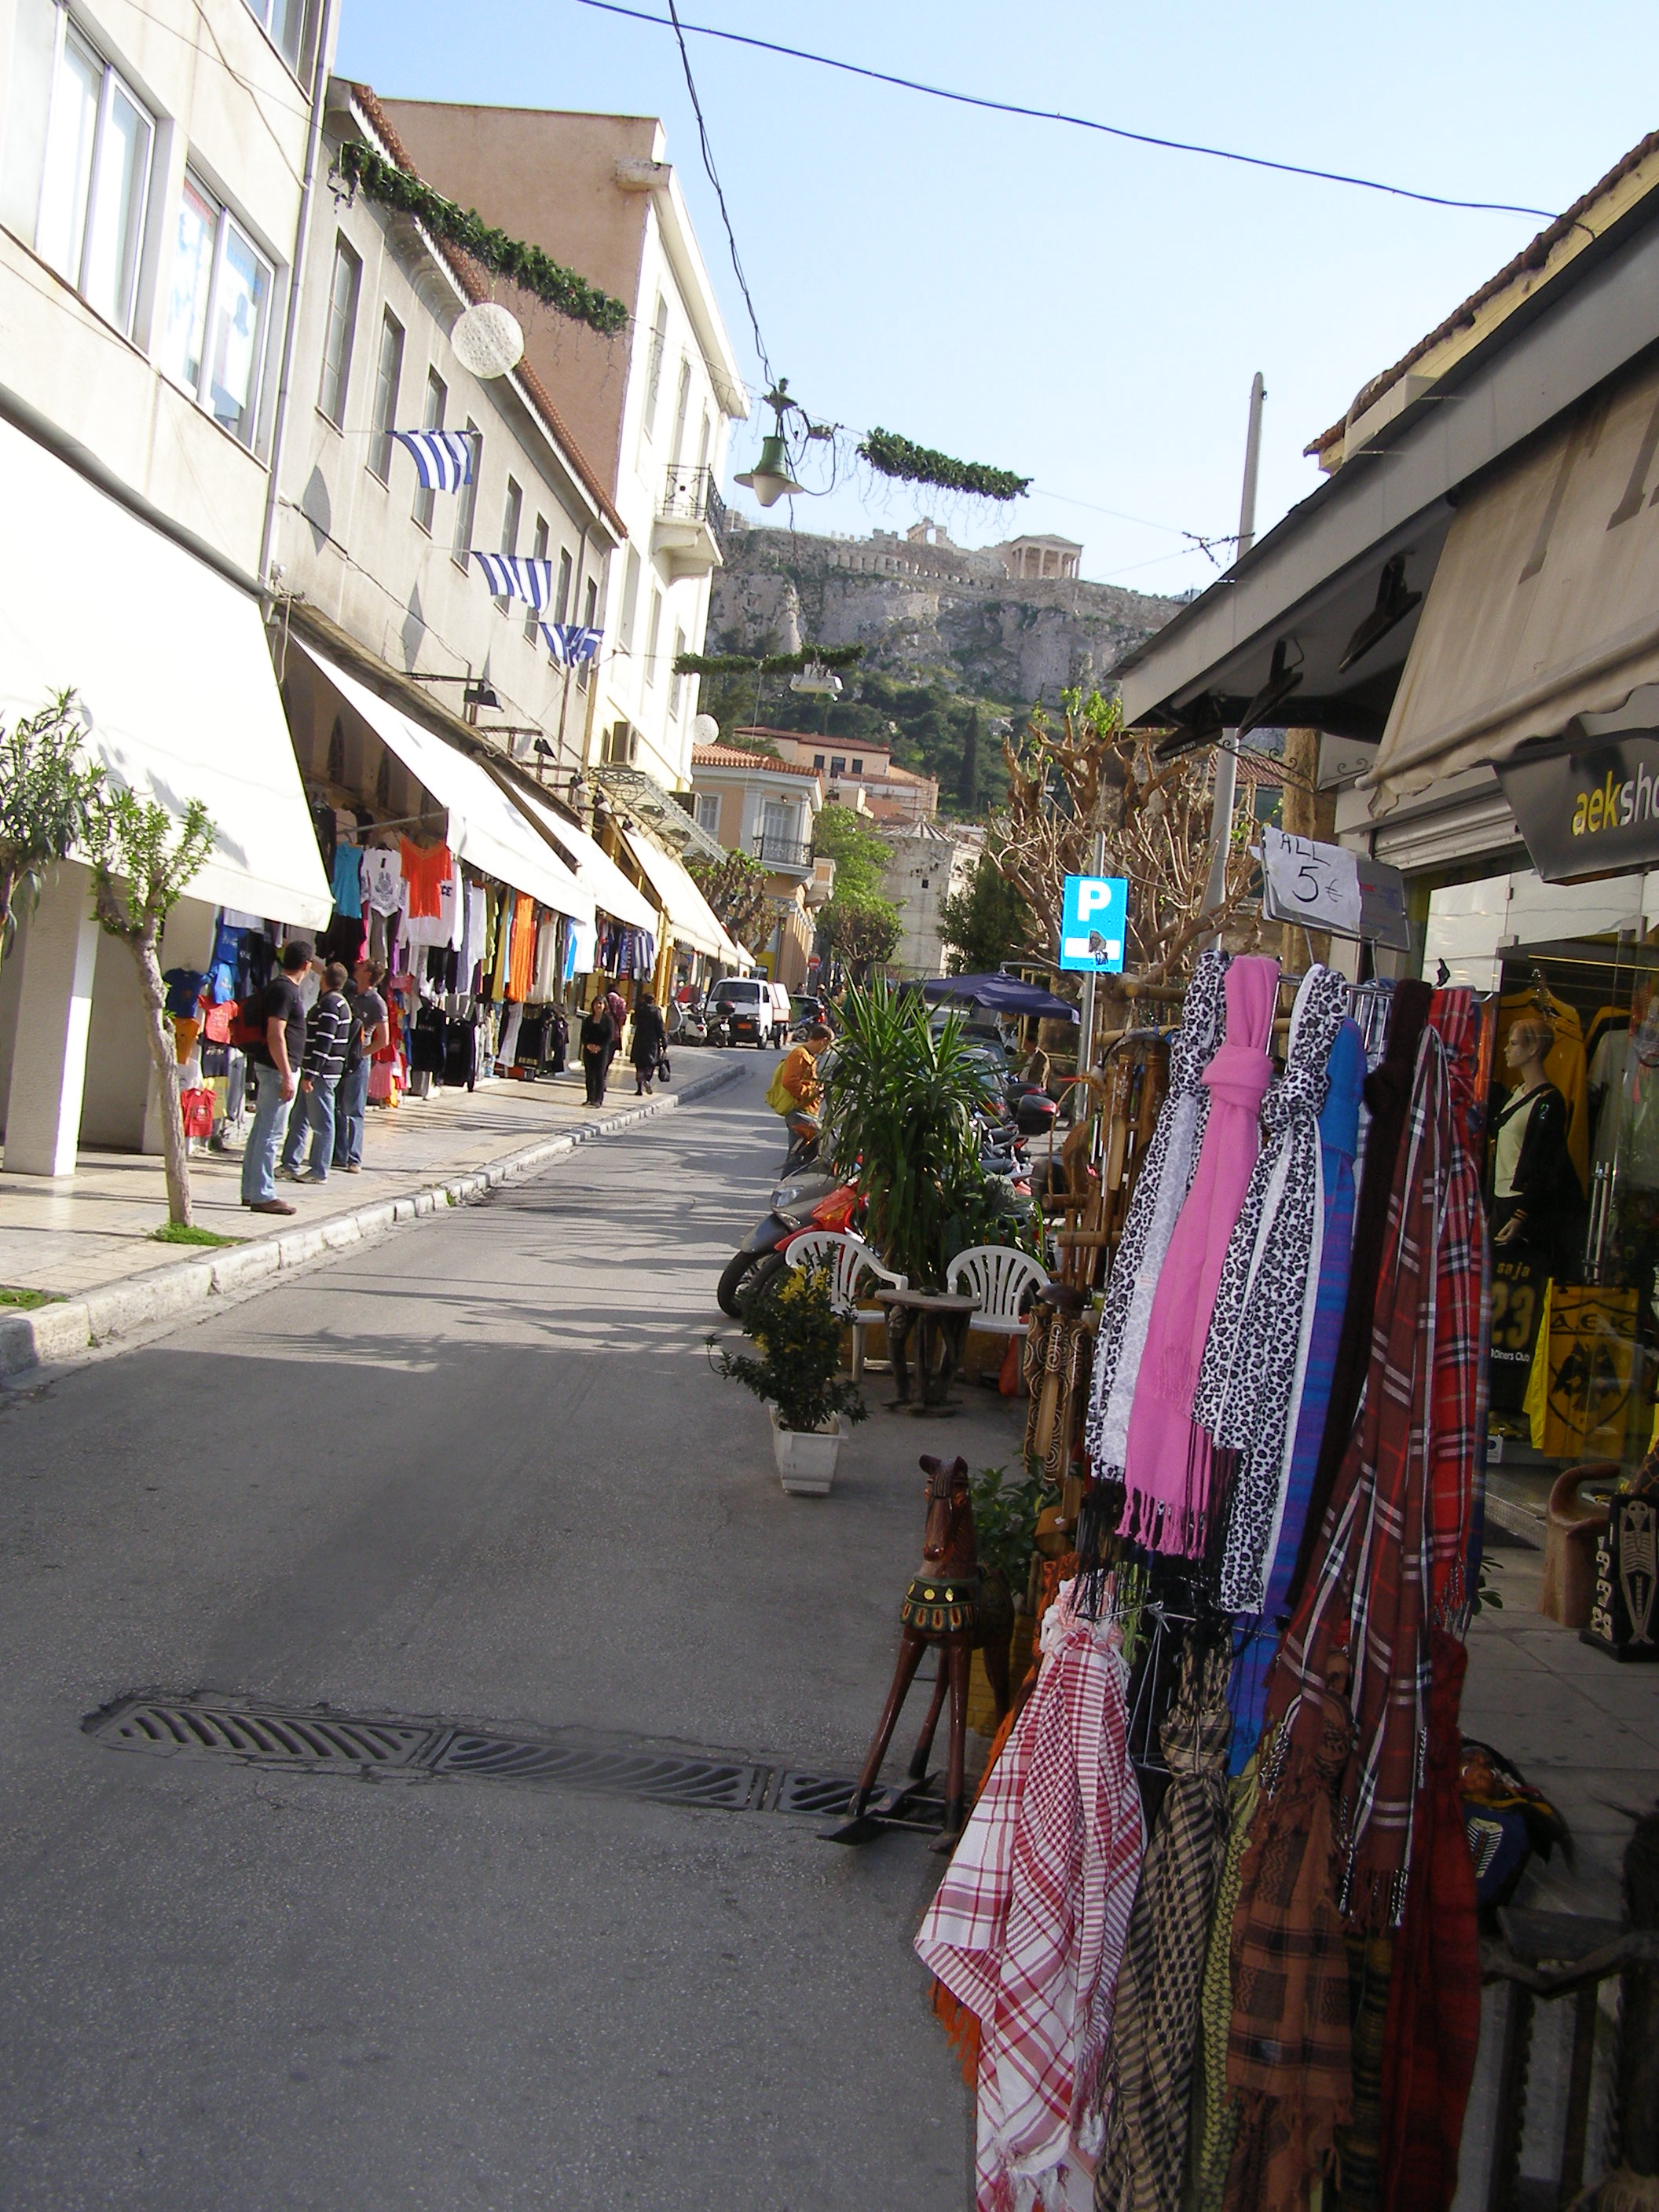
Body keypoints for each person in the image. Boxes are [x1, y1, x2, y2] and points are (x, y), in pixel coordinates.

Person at [240, 941, 311, 1215]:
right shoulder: (284, 990)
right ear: (305, 965)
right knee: (271, 1134)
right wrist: (286, 1075)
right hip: (275, 1069)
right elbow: (275, 1033)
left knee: (261, 1132)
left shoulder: (279, 987)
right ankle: (262, 1193)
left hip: (271, 1068)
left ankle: (251, 1189)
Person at [279, 961, 352, 1185]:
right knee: (299, 1117)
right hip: (315, 1072)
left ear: (323, 980)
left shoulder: (331, 1005)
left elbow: (324, 1042)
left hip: (321, 1074)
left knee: (322, 1123)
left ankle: (319, 1169)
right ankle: (290, 1163)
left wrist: (311, 1074)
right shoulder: (336, 1002)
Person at [332, 958, 390, 1174]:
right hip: (340, 1054)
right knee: (337, 1106)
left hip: (358, 1059)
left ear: (368, 974)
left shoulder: (376, 1002)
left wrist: (361, 1054)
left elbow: (383, 1039)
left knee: (354, 1108)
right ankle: (338, 1155)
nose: (356, 967)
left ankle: (354, 1157)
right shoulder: (349, 990)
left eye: (361, 966)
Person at [775, 1022, 832, 1150]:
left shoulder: (808, 1055)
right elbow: (789, 1082)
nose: (826, 1051)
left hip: (804, 1110)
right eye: (828, 1047)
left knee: (804, 1152)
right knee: (798, 1154)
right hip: (798, 1111)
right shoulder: (799, 1054)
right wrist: (811, 1092)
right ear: (823, 1041)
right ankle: (791, 1171)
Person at [628, 991, 667, 1097]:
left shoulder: (639, 1010)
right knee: (651, 1063)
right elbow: (660, 1026)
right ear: (653, 1000)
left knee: (639, 1064)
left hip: (639, 1039)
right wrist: (664, 1039)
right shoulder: (656, 1011)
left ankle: (639, 1088)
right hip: (652, 1041)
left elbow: (635, 1021)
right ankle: (647, 1080)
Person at [580, 992, 616, 1105]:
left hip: (602, 1051)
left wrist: (600, 1047)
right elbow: (583, 1034)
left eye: (600, 1004)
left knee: (599, 1075)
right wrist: (587, 1045)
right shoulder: (588, 1019)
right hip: (588, 1050)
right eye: (596, 1003)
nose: (598, 1006)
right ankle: (590, 1098)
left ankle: (598, 1099)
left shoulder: (608, 1020)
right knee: (589, 1074)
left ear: (605, 1005)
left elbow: (610, 1036)